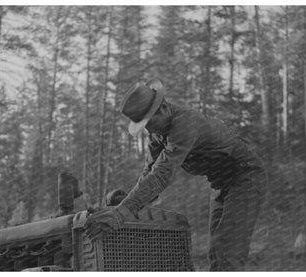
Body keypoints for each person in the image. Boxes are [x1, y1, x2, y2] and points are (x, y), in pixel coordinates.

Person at [84, 79, 267, 271]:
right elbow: (150, 174)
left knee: (227, 250)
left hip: (246, 176)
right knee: (217, 251)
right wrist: (118, 205)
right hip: (222, 185)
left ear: (163, 108)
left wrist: (121, 214)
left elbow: (162, 174)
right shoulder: (157, 135)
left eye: (149, 123)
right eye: (144, 125)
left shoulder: (185, 123)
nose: (148, 130)